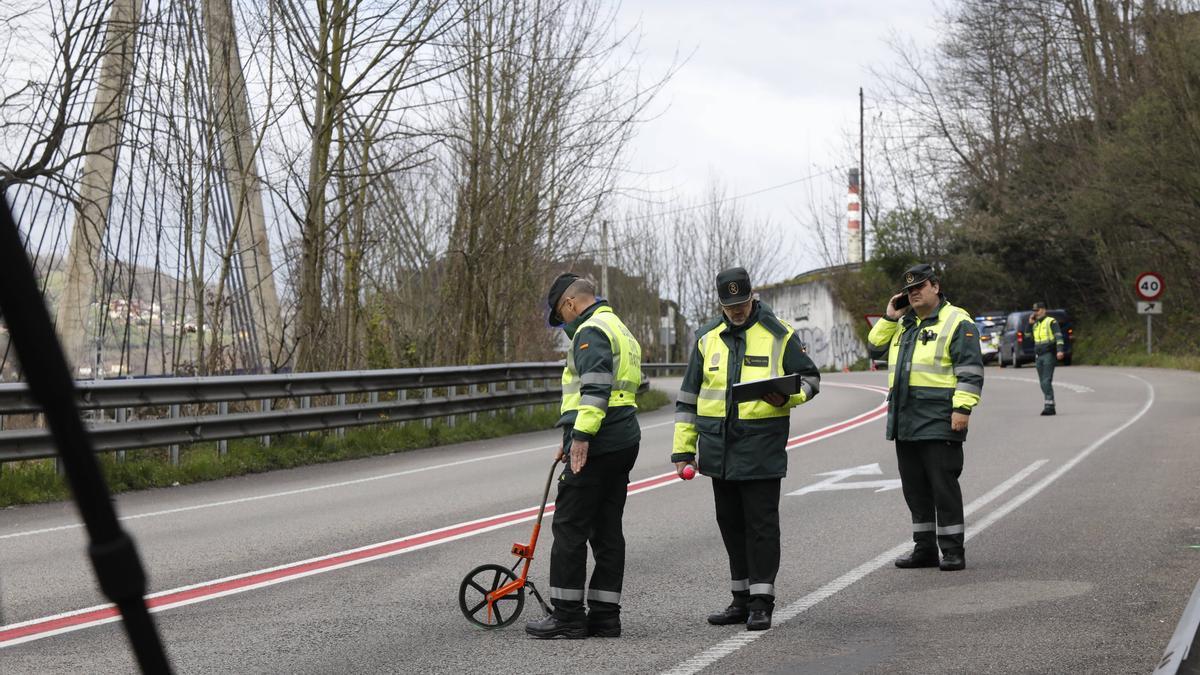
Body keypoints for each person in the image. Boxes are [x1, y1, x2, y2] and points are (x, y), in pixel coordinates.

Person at [671, 266, 821, 631]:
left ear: (752, 296)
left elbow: (811, 379)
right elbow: (689, 397)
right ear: (720, 303)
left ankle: (761, 601)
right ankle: (740, 599)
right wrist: (683, 451)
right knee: (731, 526)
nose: (737, 310)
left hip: (761, 448)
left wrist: (789, 395)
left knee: (761, 527)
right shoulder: (707, 338)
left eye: (742, 303)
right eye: (729, 305)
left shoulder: (778, 334)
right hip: (718, 450)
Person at [526, 273, 642, 639]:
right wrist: (573, 431)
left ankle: (568, 616)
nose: (564, 326)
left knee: (570, 527)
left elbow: (595, 390)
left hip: (599, 439)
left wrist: (580, 436)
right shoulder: (619, 326)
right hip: (624, 438)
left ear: (571, 304)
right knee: (607, 529)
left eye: (562, 317)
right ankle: (606, 616)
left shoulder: (591, 331)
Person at [866, 263, 983, 572]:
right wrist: (889, 317)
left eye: (919, 287)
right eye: (909, 290)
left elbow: (970, 369)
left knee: (942, 485)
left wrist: (963, 408)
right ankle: (925, 549)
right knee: (914, 488)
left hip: (940, 416)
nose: (914, 293)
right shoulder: (903, 324)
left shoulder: (957, 320)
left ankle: (953, 550)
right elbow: (874, 350)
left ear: (935, 286)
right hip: (905, 418)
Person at [1029, 301, 1064, 416]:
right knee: (1042, 382)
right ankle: (1049, 404)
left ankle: (1049, 406)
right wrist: (1029, 324)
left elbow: (1059, 336)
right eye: (1034, 311)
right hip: (1038, 355)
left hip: (1049, 354)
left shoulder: (1051, 322)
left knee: (1046, 381)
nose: (1036, 313)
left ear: (1043, 310)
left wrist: (1059, 350)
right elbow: (1027, 337)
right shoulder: (1035, 324)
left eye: (1037, 310)